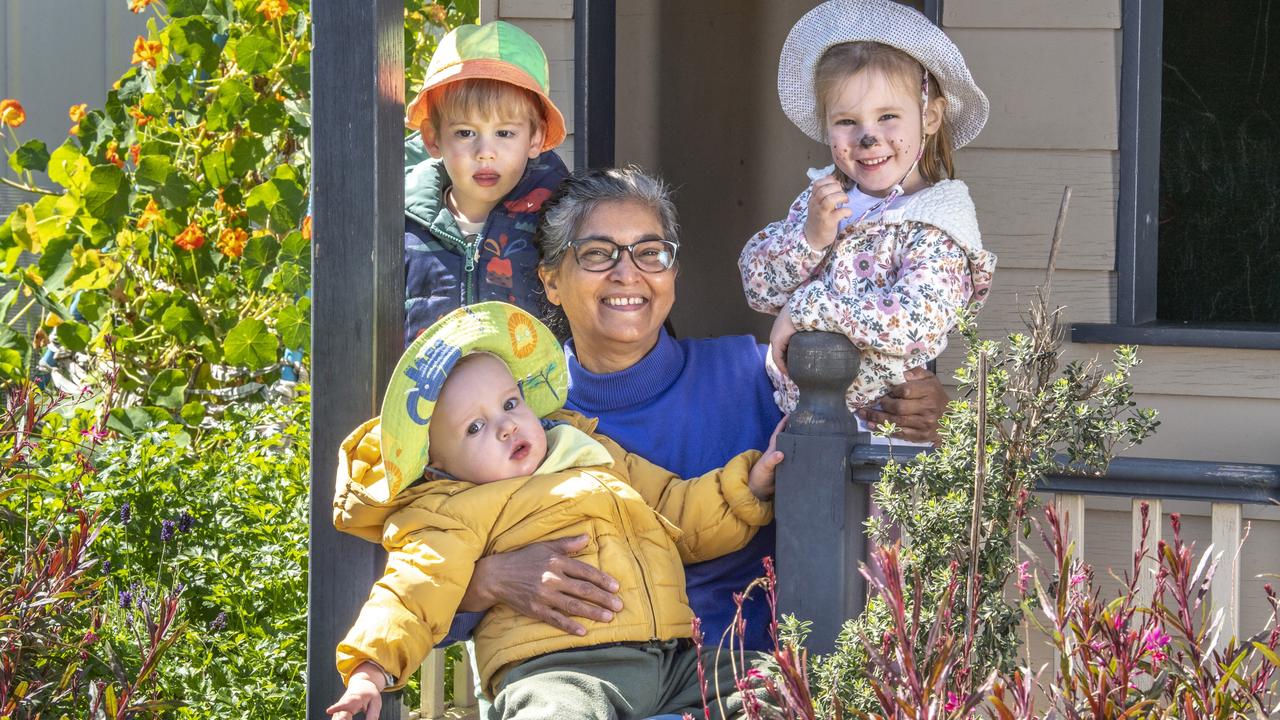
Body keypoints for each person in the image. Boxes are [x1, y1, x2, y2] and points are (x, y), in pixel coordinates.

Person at [451, 168, 951, 676]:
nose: (629, 273)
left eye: (650, 252)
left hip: (739, 682)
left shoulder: (757, 376)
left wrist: (920, 408)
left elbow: (882, 436)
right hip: (578, 684)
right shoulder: (515, 418)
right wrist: (489, 579)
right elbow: (420, 566)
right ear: (551, 281)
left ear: (673, 273)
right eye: (598, 253)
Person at [325, 302, 783, 720]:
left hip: (671, 658)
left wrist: (750, 483)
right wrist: (370, 670)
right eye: (476, 427)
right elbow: (412, 587)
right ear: (437, 466)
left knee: (767, 685)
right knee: (554, 713)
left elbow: (674, 508)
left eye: (510, 404)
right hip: (561, 667)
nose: (506, 427)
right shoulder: (449, 507)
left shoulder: (587, 450)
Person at [739, 0, 997, 430]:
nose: (868, 136)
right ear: (827, 126)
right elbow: (757, 286)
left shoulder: (937, 220)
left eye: (888, 116)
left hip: (888, 436)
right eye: (847, 121)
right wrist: (809, 239)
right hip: (801, 422)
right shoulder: (822, 200)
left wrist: (807, 310)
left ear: (929, 116)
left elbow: (914, 322)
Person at [402, 20, 570, 345]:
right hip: (427, 396)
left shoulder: (560, 226)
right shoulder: (402, 227)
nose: (485, 153)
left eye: (505, 133)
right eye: (465, 133)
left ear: (535, 137)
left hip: (533, 396)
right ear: (433, 139)